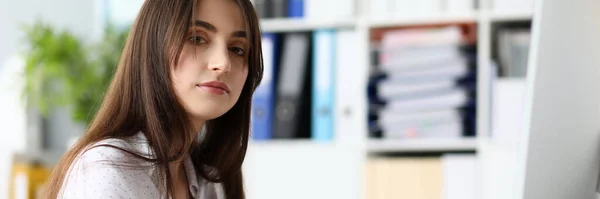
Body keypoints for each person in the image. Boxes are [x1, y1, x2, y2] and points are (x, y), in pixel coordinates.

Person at [41, 0, 263, 198]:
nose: (223, 63)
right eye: (197, 38)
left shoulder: (208, 180)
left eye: (237, 49)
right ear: (154, 46)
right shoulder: (106, 168)